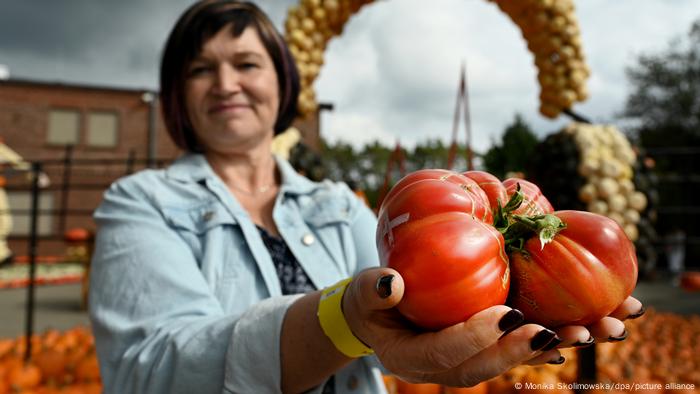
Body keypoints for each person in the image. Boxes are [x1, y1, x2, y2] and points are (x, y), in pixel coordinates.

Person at [88, 1, 646, 393]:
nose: (227, 83)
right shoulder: (139, 203)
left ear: (283, 82)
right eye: (200, 69)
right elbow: (149, 371)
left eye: (247, 64)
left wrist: (547, 290)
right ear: (176, 95)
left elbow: (409, 315)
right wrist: (343, 321)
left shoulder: (336, 204)